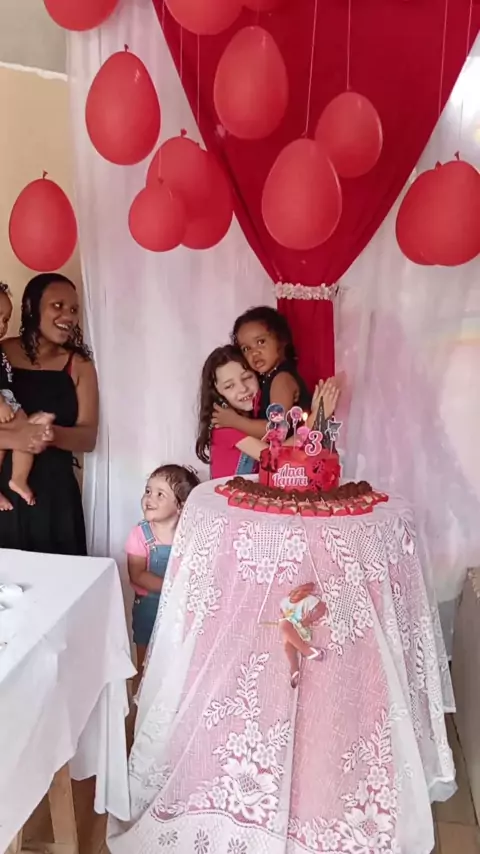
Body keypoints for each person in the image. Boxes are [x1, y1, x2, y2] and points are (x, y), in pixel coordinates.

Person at [0, 273, 99, 555]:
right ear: (31, 307)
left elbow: (88, 438)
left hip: (55, 497)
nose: (68, 316)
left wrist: (48, 434)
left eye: (74, 309)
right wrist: (21, 437)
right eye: (58, 305)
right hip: (3, 494)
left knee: (60, 579)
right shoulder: (1, 353)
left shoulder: (79, 365)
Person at [196, 345, 339, 479]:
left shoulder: (254, 419)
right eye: (229, 386)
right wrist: (315, 419)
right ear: (217, 394)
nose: (243, 388)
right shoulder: (223, 428)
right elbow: (276, 457)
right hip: (227, 497)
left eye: (247, 377)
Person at [213, 306, 340, 438]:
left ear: (282, 340)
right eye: (246, 348)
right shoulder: (267, 378)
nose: (254, 352)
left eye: (261, 342)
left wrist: (235, 422)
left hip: (298, 450)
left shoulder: (281, 379)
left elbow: (277, 430)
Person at [126, 464, 200, 684]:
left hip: (181, 609)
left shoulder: (191, 535)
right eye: (148, 491)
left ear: (181, 505)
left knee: (178, 662)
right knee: (145, 665)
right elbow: (137, 575)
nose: (150, 498)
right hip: (149, 609)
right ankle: (139, 703)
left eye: (160, 494)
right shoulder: (140, 534)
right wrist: (173, 588)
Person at [0, 284, 53, 509]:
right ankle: (18, 479)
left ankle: (17, 479)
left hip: (8, 398)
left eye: (5, 319)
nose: (2, 325)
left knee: (15, 439)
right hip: (4, 401)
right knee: (26, 432)